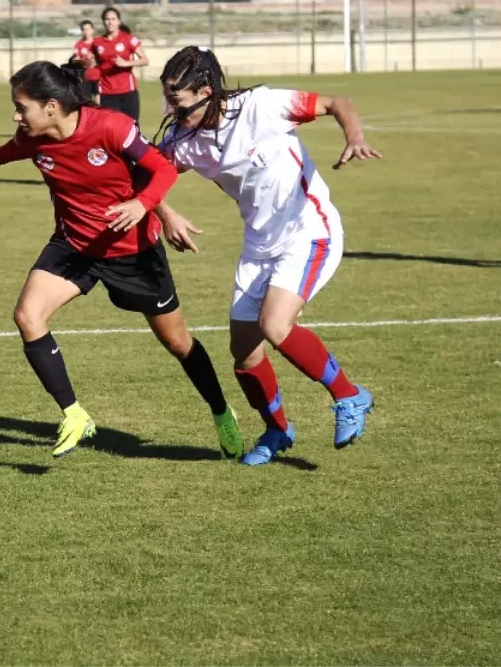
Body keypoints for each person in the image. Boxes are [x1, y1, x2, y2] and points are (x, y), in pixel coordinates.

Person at [0, 60, 244, 460]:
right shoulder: (33, 135)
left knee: (178, 343)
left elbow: (160, 168)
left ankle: (220, 411)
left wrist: (145, 206)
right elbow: (12, 149)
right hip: (73, 247)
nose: (16, 115)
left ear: (52, 106)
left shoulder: (110, 127)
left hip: (134, 254)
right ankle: (75, 415)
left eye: (22, 106)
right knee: (28, 316)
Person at [153, 46, 379, 465]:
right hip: (258, 246)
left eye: (178, 100)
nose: (171, 109)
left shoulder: (260, 106)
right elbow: (145, 177)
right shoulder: (185, 140)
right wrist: (166, 212)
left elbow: (336, 103)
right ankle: (277, 430)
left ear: (206, 91)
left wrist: (355, 137)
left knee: (275, 325)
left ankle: (350, 395)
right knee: (245, 353)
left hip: (309, 231)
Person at [91, 6, 149, 123]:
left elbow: (144, 60)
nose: (110, 22)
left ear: (119, 21)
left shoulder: (128, 39)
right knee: (110, 129)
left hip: (128, 92)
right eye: (107, 19)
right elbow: (95, 65)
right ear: (103, 22)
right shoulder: (97, 42)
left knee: (132, 127)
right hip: (107, 93)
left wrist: (126, 63)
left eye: (113, 19)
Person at [72, 19, 101, 102]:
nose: (86, 32)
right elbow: (75, 61)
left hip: (98, 76)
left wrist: (95, 60)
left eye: (88, 29)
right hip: (85, 78)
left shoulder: (98, 43)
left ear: (92, 30)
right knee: (86, 102)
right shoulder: (79, 44)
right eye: (84, 30)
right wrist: (85, 60)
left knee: (99, 101)